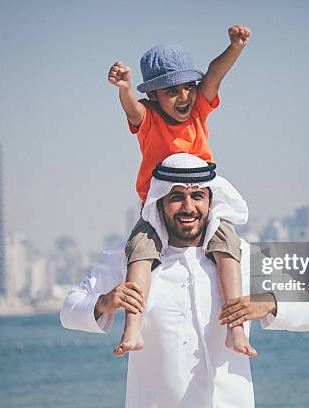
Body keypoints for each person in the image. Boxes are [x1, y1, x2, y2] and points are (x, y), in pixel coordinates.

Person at [60, 153, 309, 408]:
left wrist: (269, 303)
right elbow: (68, 311)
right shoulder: (128, 260)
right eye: (176, 197)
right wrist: (104, 302)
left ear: (210, 201)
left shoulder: (243, 255)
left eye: (197, 196)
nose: (188, 207)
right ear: (159, 203)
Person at [107, 25, 254, 357]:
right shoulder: (149, 119)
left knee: (227, 247)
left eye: (189, 87)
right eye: (172, 91)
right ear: (154, 96)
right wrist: (125, 87)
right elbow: (132, 108)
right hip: (158, 204)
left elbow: (215, 75)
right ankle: (132, 328)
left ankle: (236, 328)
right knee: (140, 252)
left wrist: (234, 48)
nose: (184, 97)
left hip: (202, 195)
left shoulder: (199, 109)